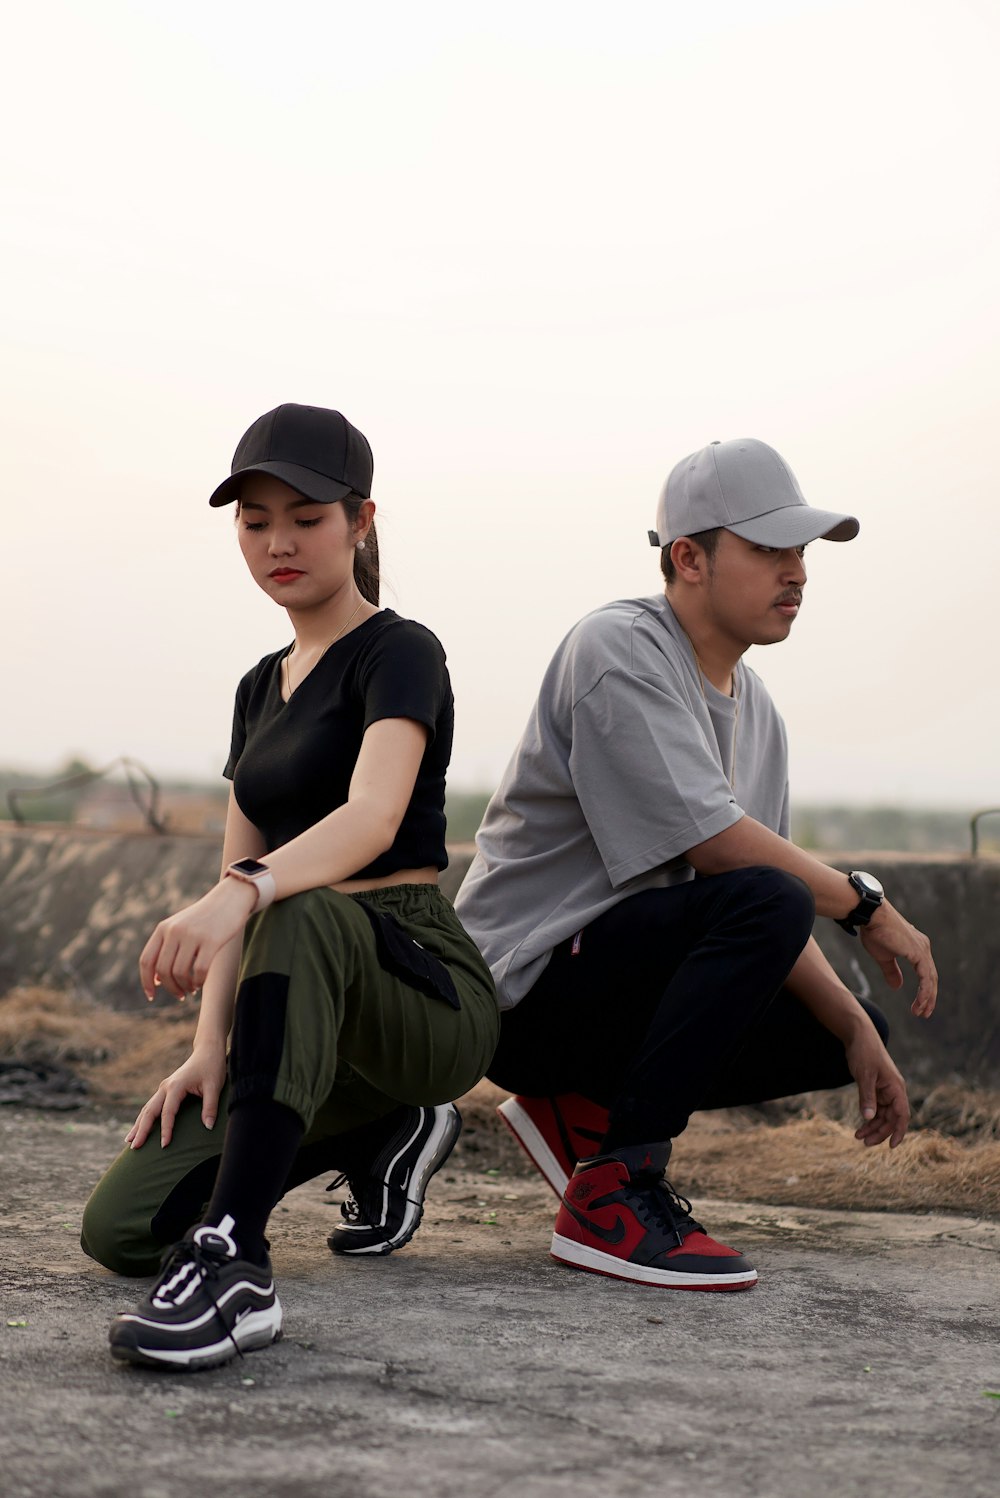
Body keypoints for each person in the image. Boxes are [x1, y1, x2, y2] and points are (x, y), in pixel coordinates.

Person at [455, 437, 937, 1293]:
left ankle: (581, 1114)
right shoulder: (617, 648)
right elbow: (721, 852)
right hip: (520, 995)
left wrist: (860, 1030)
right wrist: (863, 904)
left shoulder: (761, 716)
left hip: (610, 982)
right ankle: (614, 1190)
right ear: (689, 557)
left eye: (802, 552)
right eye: (769, 549)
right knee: (771, 898)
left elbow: (753, 902)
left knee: (838, 1027)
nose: (797, 572)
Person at [82, 403, 498, 1368]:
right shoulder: (256, 687)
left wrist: (248, 892)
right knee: (125, 1229)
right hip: (298, 1001)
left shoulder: (402, 650)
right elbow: (239, 864)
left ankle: (237, 1268)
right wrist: (206, 1047)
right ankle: (384, 1129)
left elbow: (372, 818)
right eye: (255, 519)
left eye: (306, 518)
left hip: (416, 980)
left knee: (298, 906)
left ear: (361, 521)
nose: (278, 541)